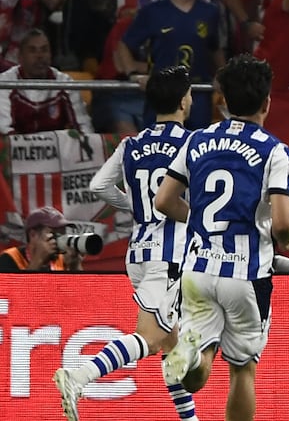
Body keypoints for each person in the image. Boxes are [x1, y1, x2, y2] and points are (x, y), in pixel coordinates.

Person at [154, 55, 289, 421]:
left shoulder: (197, 140)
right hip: (246, 275)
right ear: (267, 103)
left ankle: (191, 355)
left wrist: (199, 220)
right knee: (242, 369)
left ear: (223, 101)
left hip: (198, 270)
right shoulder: (275, 151)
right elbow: (283, 222)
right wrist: (286, 237)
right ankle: (191, 355)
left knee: (198, 371)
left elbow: (164, 200)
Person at [55, 65, 198, 421]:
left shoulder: (131, 144)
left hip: (138, 253)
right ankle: (80, 376)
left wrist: (135, 204)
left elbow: (99, 186)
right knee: (150, 338)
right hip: (170, 253)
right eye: (190, 94)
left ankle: (190, 419)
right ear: (184, 101)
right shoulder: (193, 144)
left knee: (171, 345)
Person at [116, 0, 223, 129]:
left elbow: (216, 48)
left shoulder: (210, 12)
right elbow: (124, 45)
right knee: (158, 141)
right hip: (162, 92)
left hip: (197, 93)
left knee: (196, 143)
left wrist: (221, 74)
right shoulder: (153, 12)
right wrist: (133, 74)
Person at [0, 29, 93, 135]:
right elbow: (3, 129)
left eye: (44, 50)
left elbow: (84, 127)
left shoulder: (65, 83)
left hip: (57, 145)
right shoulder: (4, 82)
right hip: (17, 144)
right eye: (32, 50)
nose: (40, 56)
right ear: (20, 57)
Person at [0, 205, 82, 272]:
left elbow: (80, 288)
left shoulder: (61, 260)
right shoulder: (9, 259)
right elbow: (15, 288)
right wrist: (39, 260)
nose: (58, 239)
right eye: (53, 233)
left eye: (62, 234)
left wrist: (75, 266)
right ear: (33, 235)